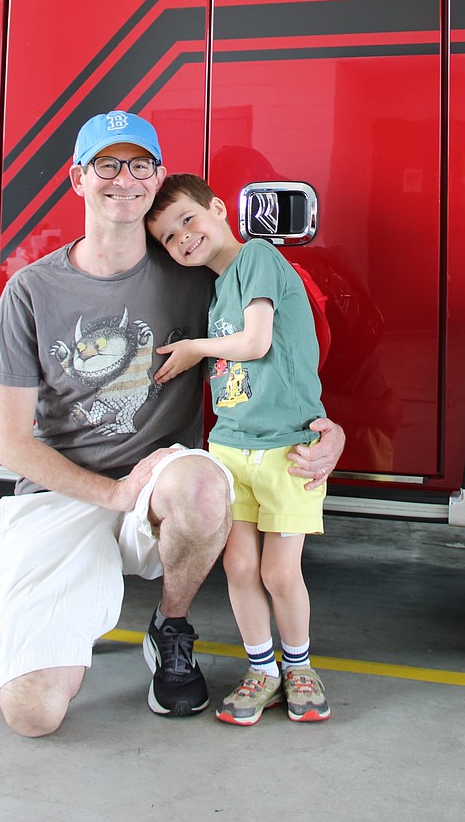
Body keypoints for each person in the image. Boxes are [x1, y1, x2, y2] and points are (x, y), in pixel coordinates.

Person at [0, 110, 345, 737]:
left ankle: (170, 626)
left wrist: (324, 428)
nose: (124, 179)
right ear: (78, 179)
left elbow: (286, 346)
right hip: (63, 494)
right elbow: (7, 441)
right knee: (33, 714)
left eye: (139, 165)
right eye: (106, 165)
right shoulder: (30, 291)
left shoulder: (197, 273)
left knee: (203, 486)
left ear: (157, 177)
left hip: (160, 482)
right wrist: (110, 493)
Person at [148, 173, 332, 724]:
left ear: (218, 209)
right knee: (239, 566)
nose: (183, 237)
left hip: (287, 447)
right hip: (230, 447)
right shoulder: (219, 286)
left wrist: (192, 349)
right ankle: (262, 670)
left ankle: (299, 666)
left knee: (280, 573)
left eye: (188, 219)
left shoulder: (256, 256)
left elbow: (255, 342)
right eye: (168, 237)